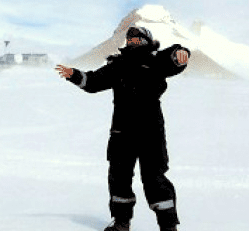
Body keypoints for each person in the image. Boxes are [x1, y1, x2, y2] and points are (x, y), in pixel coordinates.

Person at [56, 25, 191, 231]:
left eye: (137, 38)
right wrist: (74, 75)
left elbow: (173, 58)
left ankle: (168, 226)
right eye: (129, 38)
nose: (132, 41)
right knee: (119, 177)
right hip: (122, 132)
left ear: (147, 40)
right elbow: (93, 82)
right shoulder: (117, 65)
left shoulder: (155, 61)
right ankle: (121, 223)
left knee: (155, 178)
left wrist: (181, 53)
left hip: (150, 132)